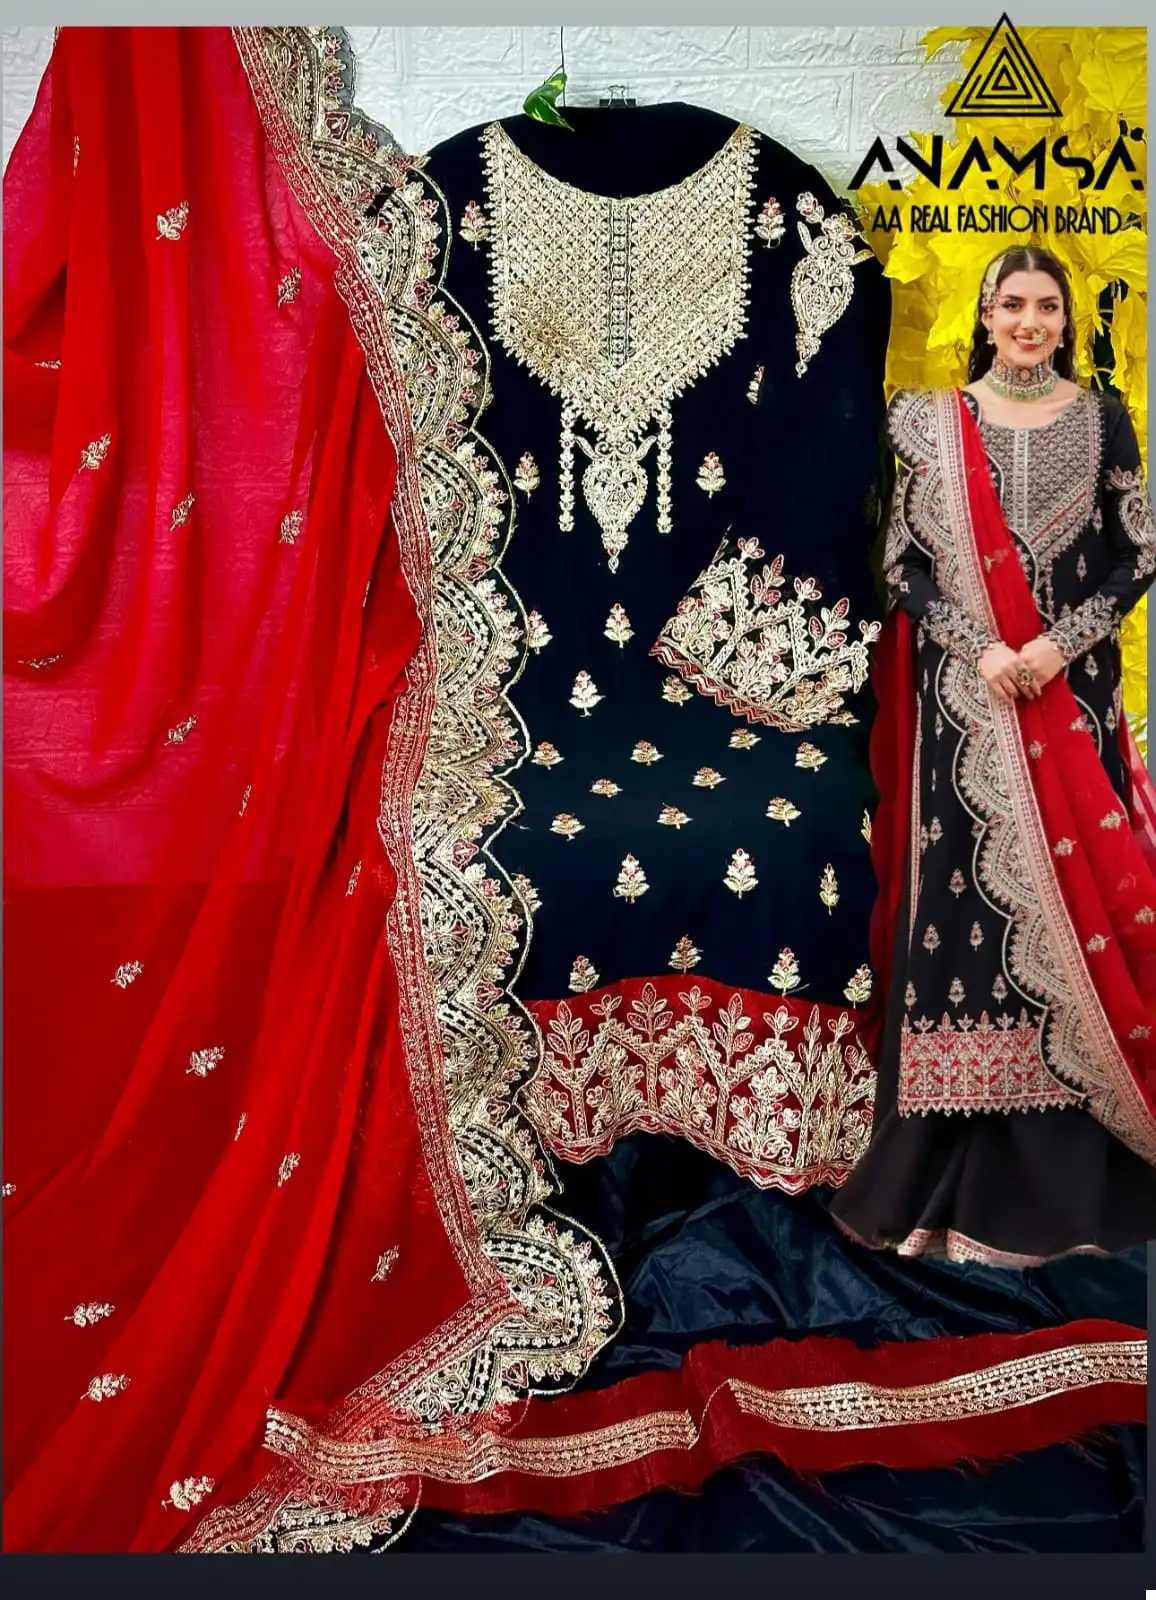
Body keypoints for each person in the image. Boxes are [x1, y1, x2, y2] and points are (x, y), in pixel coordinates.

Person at [830, 244, 1156, 1265]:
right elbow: (901, 567)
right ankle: (951, 1170)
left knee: (1080, 903)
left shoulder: (1103, 418)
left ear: (1065, 319)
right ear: (983, 314)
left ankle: (1077, 1168)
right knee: (965, 906)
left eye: (1045, 306)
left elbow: (1139, 550)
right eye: (1011, 304)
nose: (1027, 322)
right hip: (964, 704)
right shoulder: (925, 421)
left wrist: (1058, 645)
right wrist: (982, 649)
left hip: (1071, 694)